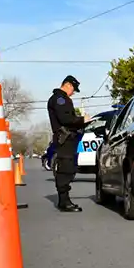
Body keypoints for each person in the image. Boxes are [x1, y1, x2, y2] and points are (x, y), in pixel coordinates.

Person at [47, 75, 90, 212]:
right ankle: (64, 201)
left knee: (69, 167)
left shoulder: (60, 99)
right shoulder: (60, 99)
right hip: (64, 138)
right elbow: (65, 119)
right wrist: (83, 119)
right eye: (73, 89)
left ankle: (64, 200)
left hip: (67, 138)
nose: (73, 93)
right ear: (68, 85)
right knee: (66, 168)